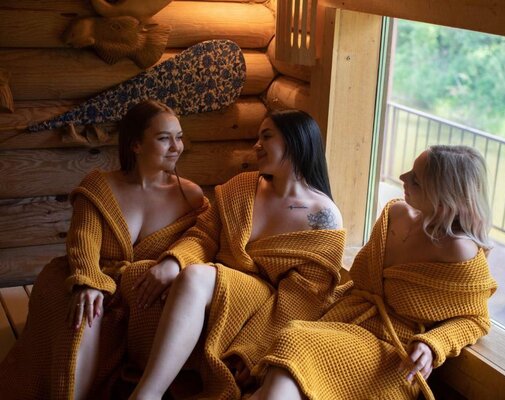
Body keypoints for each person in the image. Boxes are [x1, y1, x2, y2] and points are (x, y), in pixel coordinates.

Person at [126, 109, 347, 400]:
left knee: (194, 276)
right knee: (158, 275)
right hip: (220, 288)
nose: (257, 145)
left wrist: (255, 347)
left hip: (265, 304)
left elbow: (305, 298)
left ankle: (147, 395)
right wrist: (173, 260)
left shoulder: (323, 216)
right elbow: (204, 236)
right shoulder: (242, 186)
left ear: (294, 142)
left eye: (266, 137)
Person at [250, 145, 498, 400]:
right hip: (343, 321)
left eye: (415, 179)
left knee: (294, 342)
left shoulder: (458, 250)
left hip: (387, 353)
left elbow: (476, 319)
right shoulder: (395, 214)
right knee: (287, 349)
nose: (402, 178)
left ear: (443, 196)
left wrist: (434, 344)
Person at [0, 99, 206, 400]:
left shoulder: (190, 195)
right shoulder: (101, 185)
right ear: (135, 145)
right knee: (84, 314)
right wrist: (88, 281)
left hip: (140, 290)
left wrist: (175, 261)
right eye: (164, 138)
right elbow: (83, 237)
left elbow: (202, 238)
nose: (176, 147)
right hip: (90, 274)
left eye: (179, 137)